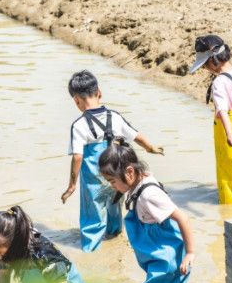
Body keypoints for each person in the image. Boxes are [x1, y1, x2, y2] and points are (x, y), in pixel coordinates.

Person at [98, 139, 194, 283]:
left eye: (113, 181)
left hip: (166, 255)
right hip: (155, 251)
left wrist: (190, 253)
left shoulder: (150, 195)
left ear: (130, 173)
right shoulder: (138, 181)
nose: (112, 186)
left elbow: (183, 218)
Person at [61, 70, 164, 252]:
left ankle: (91, 251)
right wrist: (151, 148)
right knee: (114, 211)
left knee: (92, 219)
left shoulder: (79, 125)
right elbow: (136, 136)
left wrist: (71, 185)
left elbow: (78, 156)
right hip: (116, 177)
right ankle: (115, 241)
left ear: (76, 100)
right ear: (99, 92)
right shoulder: (114, 117)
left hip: (93, 182)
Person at [189, 34, 232, 204]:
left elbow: (222, 110)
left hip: (230, 126)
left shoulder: (219, 82)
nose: (205, 69)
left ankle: (229, 205)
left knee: (226, 170)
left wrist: (229, 133)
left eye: (204, 65)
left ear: (213, 61)